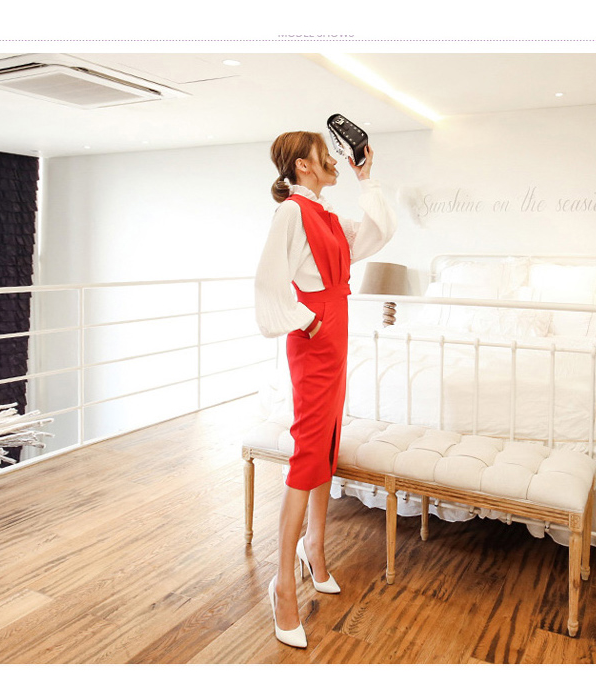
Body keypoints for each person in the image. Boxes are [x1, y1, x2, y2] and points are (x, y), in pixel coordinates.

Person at [254, 130, 396, 648]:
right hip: (315, 340)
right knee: (308, 453)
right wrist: (307, 321)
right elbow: (268, 282)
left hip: (336, 335)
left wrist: (365, 177)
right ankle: (282, 585)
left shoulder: (327, 215)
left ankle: (314, 548)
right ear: (303, 165)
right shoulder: (292, 212)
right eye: (325, 154)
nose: (334, 159)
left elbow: (378, 232)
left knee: (327, 445)